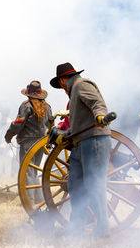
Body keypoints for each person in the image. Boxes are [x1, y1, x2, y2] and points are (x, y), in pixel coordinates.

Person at [48, 62, 112, 237]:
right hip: (80, 142)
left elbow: (97, 103)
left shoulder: (81, 84)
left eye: (60, 85)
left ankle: (103, 230)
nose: (62, 88)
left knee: (95, 185)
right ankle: (76, 228)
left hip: (95, 140)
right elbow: (79, 123)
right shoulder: (74, 91)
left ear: (62, 80)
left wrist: (100, 115)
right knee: (75, 184)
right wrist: (66, 134)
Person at [4, 81, 52, 204]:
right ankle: (38, 198)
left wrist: (8, 135)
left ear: (29, 94)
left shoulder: (26, 106)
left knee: (28, 172)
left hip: (28, 143)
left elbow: (18, 124)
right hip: (40, 143)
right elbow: (51, 124)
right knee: (34, 171)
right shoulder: (48, 107)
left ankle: (29, 201)